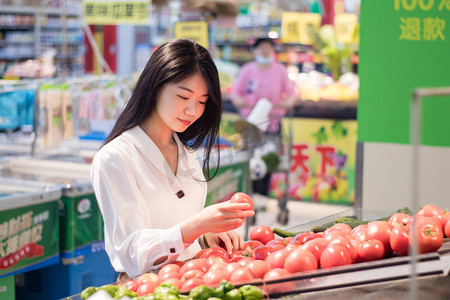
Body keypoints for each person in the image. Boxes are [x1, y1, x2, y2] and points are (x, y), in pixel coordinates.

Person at [90, 38, 255, 279]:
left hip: (194, 280)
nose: (193, 111)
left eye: (202, 101)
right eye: (183, 96)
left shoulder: (186, 153)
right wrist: (197, 226)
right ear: (155, 87)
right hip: (150, 289)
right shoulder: (115, 158)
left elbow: (179, 226)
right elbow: (131, 252)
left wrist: (206, 234)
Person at [230, 37, 297, 134]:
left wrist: (288, 102)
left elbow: (292, 94)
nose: (265, 51)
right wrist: (239, 100)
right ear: (254, 51)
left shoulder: (280, 70)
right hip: (249, 121)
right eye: (262, 48)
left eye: (268, 48)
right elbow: (235, 93)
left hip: (273, 122)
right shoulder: (246, 69)